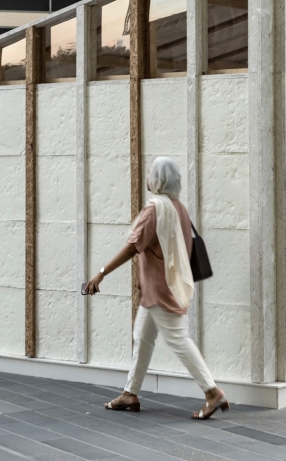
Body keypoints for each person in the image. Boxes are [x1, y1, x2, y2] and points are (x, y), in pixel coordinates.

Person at [84, 157, 228, 420]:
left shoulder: (154, 209)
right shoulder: (179, 208)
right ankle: (130, 393)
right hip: (159, 290)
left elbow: (133, 246)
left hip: (162, 291)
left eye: (151, 173)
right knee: (142, 337)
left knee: (178, 340)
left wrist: (101, 273)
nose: (148, 177)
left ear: (159, 179)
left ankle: (211, 392)